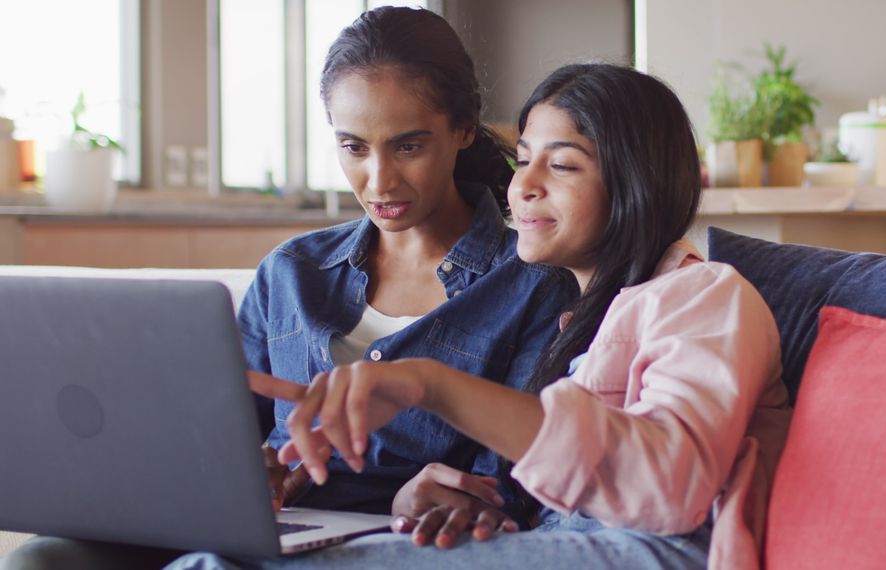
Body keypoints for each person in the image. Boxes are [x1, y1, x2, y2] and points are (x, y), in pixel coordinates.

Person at [0, 7, 574, 570]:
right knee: (44, 558)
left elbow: (516, 478)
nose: (379, 181)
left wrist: (424, 501)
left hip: (398, 542)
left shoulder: (531, 282)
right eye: (353, 147)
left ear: (463, 129)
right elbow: (222, 431)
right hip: (273, 525)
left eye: (408, 146)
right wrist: (250, 473)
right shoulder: (291, 272)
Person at [168, 63, 791, 570]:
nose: (523, 185)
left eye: (563, 164)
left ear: (638, 184)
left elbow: (668, 488)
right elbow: (544, 491)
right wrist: (441, 497)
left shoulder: (704, 295)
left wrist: (430, 384)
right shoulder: (579, 322)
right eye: (523, 159)